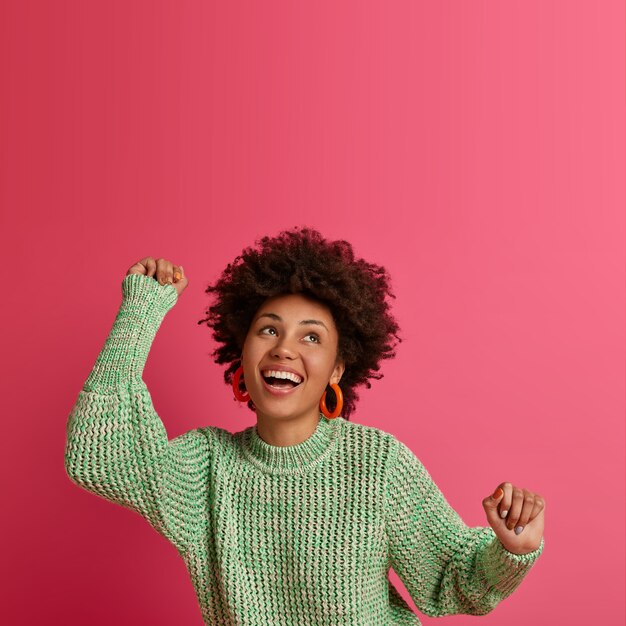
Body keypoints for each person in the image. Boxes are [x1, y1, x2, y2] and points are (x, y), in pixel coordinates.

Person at [64, 226, 545, 625]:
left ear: (338, 368)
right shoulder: (206, 467)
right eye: (268, 329)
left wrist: (511, 550)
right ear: (243, 353)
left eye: (310, 336)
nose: (283, 349)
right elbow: (102, 458)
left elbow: (449, 578)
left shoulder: (376, 463)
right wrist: (140, 312)